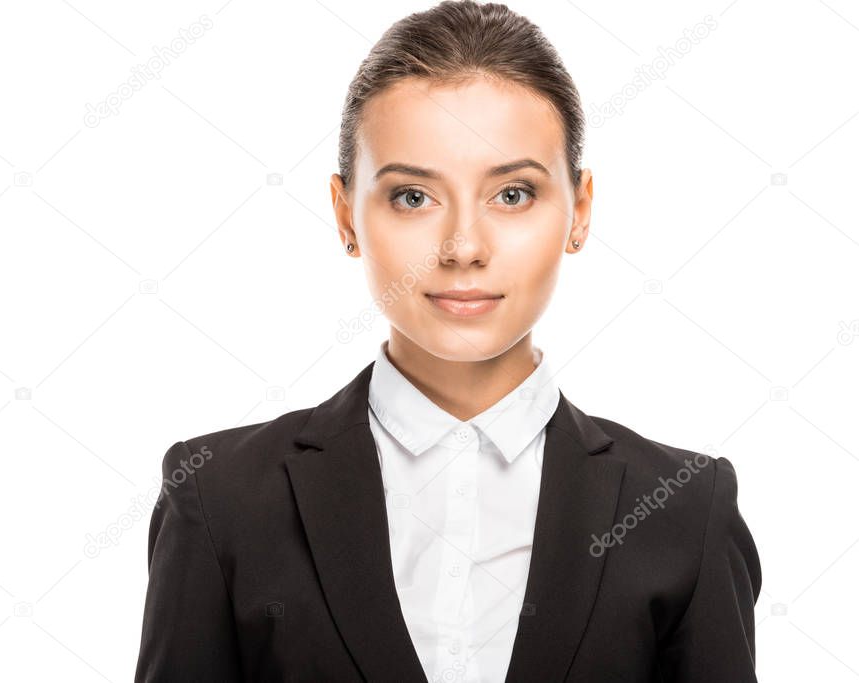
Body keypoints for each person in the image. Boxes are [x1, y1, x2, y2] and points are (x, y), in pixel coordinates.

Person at [134, 2, 762, 681]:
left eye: (513, 193)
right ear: (346, 214)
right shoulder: (217, 496)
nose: (463, 246)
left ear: (578, 211)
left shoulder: (683, 507)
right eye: (411, 197)